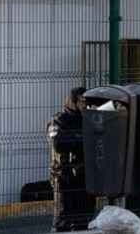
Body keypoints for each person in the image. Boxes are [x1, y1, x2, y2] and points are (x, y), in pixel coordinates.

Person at [48, 87, 94, 232]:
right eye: (82, 101)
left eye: (87, 102)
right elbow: (59, 144)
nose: (85, 105)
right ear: (73, 101)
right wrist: (81, 138)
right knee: (64, 220)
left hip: (84, 176)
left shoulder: (88, 119)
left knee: (84, 219)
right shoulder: (59, 120)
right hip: (65, 177)